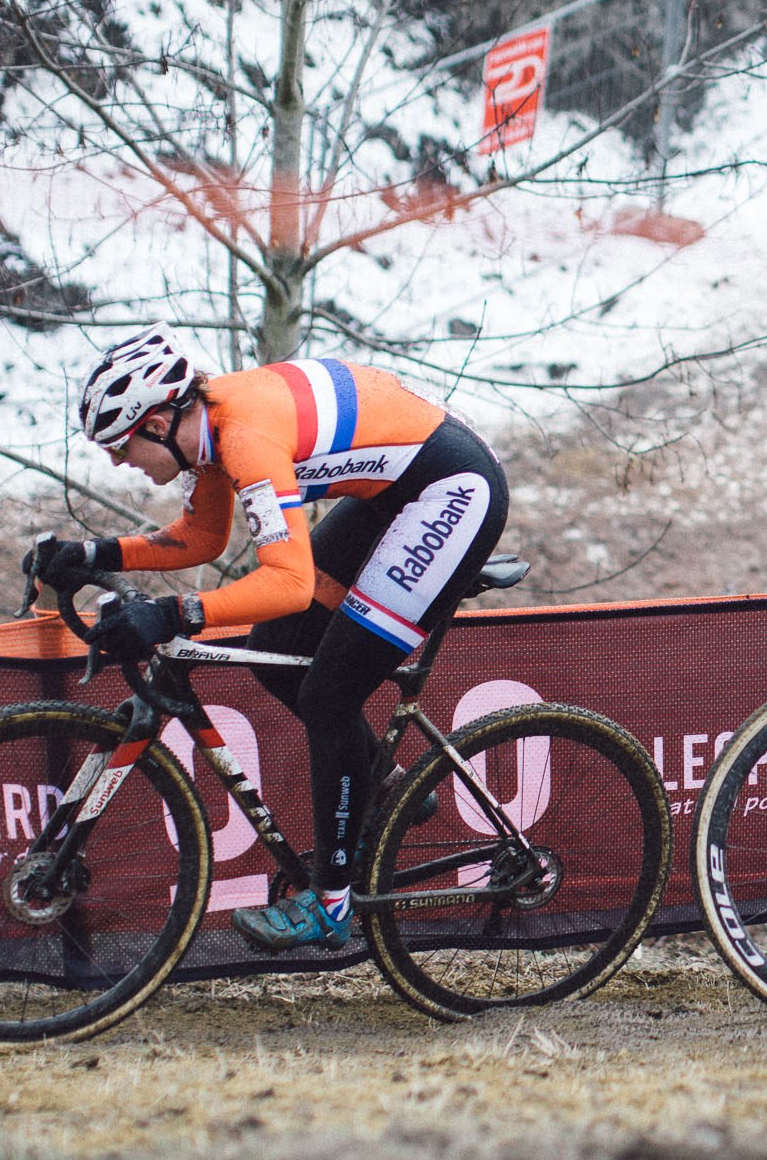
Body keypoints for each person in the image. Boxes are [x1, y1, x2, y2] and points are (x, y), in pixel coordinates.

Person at [31, 330, 510, 952]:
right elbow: (202, 537)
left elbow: (288, 580)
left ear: (154, 424)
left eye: (119, 447)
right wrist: (94, 552)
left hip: (452, 494)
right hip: (394, 495)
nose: (119, 463)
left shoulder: (244, 439)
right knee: (278, 651)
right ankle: (383, 785)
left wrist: (176, 613)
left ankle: (333, 906)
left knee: (330, 697)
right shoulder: (204, 434)